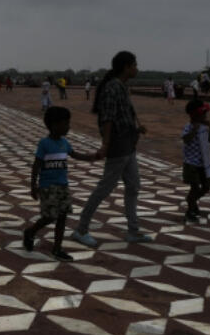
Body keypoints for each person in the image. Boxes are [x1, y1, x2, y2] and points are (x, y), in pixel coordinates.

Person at [71, 51, 152, 246]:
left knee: (133, 186)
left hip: (128, 144)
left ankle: (133, 230)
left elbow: (121, 116)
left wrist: (136, 128)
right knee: (105, 188)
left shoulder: (122, 86)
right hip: (118, 144)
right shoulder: (112, 88)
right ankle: (81, 229)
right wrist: (106, 144)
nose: (137, 68)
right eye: (134, 65)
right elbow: (107, 118)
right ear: (126, 66)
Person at [22, 106, 100, 260]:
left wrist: (92, 157)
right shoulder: (44, 144)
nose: (68, 127)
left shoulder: (65, 143)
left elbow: (75, 155)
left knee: (63, 216)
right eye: (65, 124)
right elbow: (36, 165)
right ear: (53, 125)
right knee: (50, 216)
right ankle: (30, 231)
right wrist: (33, 186)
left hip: (63, 185)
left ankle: (57, 249)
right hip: (47, 186)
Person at [181, 98, 210, 222]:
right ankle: (190, 210)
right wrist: (194, 130)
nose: (205, 116)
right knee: (194, 187)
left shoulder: (205, 127)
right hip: (191, 163)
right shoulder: (189, 127)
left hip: (204, 162)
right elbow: (186, 139)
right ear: (195, 115)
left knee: (207, 186)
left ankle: (191, 200)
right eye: (203, 114)